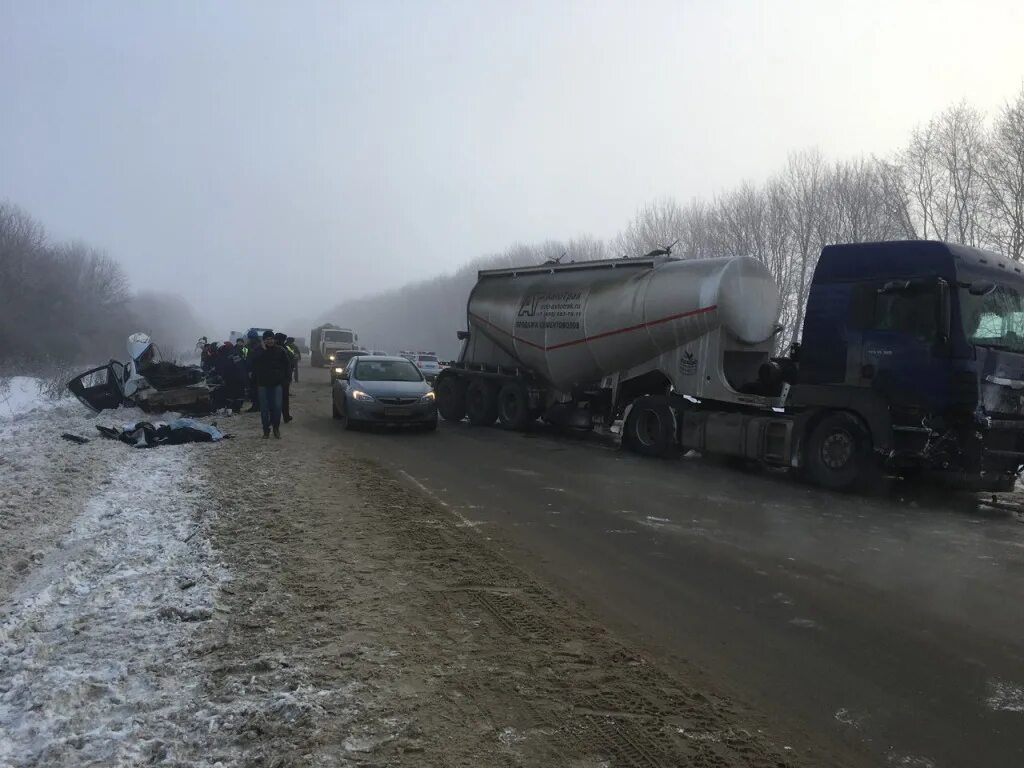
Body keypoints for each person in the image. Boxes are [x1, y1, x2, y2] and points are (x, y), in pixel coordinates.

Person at [250, 330, 291, 438]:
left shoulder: (280, 351)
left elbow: (287, 366)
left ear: (274, 339)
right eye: (267, 339)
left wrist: (286, 380)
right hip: (262, 384)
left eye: (271, 339)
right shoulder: (258, 350)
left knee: (277, 407)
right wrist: (263, 350)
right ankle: (265, 430)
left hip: (277, 384)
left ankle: (276, 429)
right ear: (264, 341)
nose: (270, 341)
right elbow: (253, 362)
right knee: (264, 409)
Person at [275, 332, 295, 422]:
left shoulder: (272, 348)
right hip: (284, 378)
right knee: (284, 398)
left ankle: (276, 418)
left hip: (275, 378)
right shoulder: (286, 348)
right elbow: (292, 360)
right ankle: (286, 416)